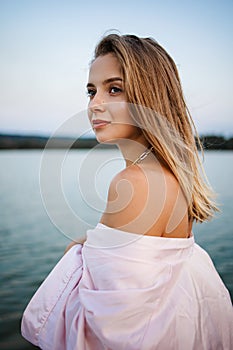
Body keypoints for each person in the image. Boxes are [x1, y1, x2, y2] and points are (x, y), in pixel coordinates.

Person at [21, 33, 233, 349]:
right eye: (91, 91)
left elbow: (106, 334)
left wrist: (75, 252)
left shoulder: (134, 181)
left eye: (114, 89)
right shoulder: (173, 175)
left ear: (148, 96)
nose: (95, 104)